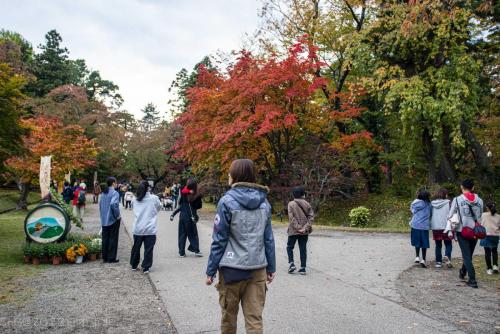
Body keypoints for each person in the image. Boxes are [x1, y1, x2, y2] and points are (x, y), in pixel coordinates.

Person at [206, 159, 276, 334]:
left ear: (236, 175)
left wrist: (210, 270)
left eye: (230, 172)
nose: (228, 175)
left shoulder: (226, 202)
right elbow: (268, 238)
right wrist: (271, 267)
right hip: (258, 268)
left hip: (231, 269)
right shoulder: (264, 203)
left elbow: (219, 239)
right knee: (254, 319)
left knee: (229, 318)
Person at [448, 179, 483, 288]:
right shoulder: (480, 200)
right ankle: (463, 272)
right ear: (473, 188)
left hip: (462, 230)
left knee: (466, 255)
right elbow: (480, 215)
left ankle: (472, 280)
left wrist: (451, 229)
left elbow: (451, 214)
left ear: (461, 187)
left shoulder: (458, 200)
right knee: (468, 255)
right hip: (475, 231)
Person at [130, 180, 162, 274]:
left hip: (138, 228)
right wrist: (153, 213)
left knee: (136, 247)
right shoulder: (154, 198)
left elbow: (133, 208)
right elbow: (159, 207)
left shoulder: (134, 199)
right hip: (150, 228)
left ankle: (134, 264)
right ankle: (146, 267)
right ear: (148, 188)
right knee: (148, 249)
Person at [170, 179, 203, 257]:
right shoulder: (196, 195)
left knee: (182, 234)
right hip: (190, 217)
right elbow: (198, 206)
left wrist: (173, 214)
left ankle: (181, 252)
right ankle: (196, 250)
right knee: (193, 234)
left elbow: (180, 203)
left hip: (182, 216)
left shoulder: (183, 192)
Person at [287, 186, 314, 275]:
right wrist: (304, 228)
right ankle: (303, 268)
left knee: (290, 247)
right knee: (303, 249)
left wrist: (297, 228)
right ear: (303, 194)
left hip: (293, 231)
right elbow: (311, 217)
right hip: (304, 232)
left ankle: (291, 264)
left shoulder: (291, 204)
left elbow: (291, 218)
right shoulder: (307, 204)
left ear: (293, 194)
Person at [99, 177, 121, 263]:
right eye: (116, 183)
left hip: (104, 219)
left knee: (105, 238)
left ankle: (105, 257)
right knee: (113, 238)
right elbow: (113, 204)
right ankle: (111, 257)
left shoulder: (103, 193)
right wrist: (118, 215)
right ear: (113, 183)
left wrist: (102, 216)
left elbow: (100, 205)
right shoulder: (115, 193)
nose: (116, 184)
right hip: (112, 219)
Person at [430, 188, 452, 268]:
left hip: (435, 226)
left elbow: (430, 214)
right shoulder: (449, 202)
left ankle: (438, 262)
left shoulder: (432, 203)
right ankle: (447, 257)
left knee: (438, 245)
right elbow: (452, 213)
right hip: (446, 226)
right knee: (448, 244)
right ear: (445, 194)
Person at [410, 189, 431, 268]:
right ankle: (424, 259)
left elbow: (413, 211)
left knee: (417, 242)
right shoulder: (429, 204)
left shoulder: (416, 203)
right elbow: (431, 213)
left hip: (415, 225)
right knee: (424, 242)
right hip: (424, 226)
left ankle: (417, 257)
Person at [480, 202, 499, 275]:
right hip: (495, 235)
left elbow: (480, 223)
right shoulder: (498, 216)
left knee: (487, 252)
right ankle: (495, 266)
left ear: (487, 208)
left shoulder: (483, 215)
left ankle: (489, 268)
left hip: (486, 235)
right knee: (494, 251)